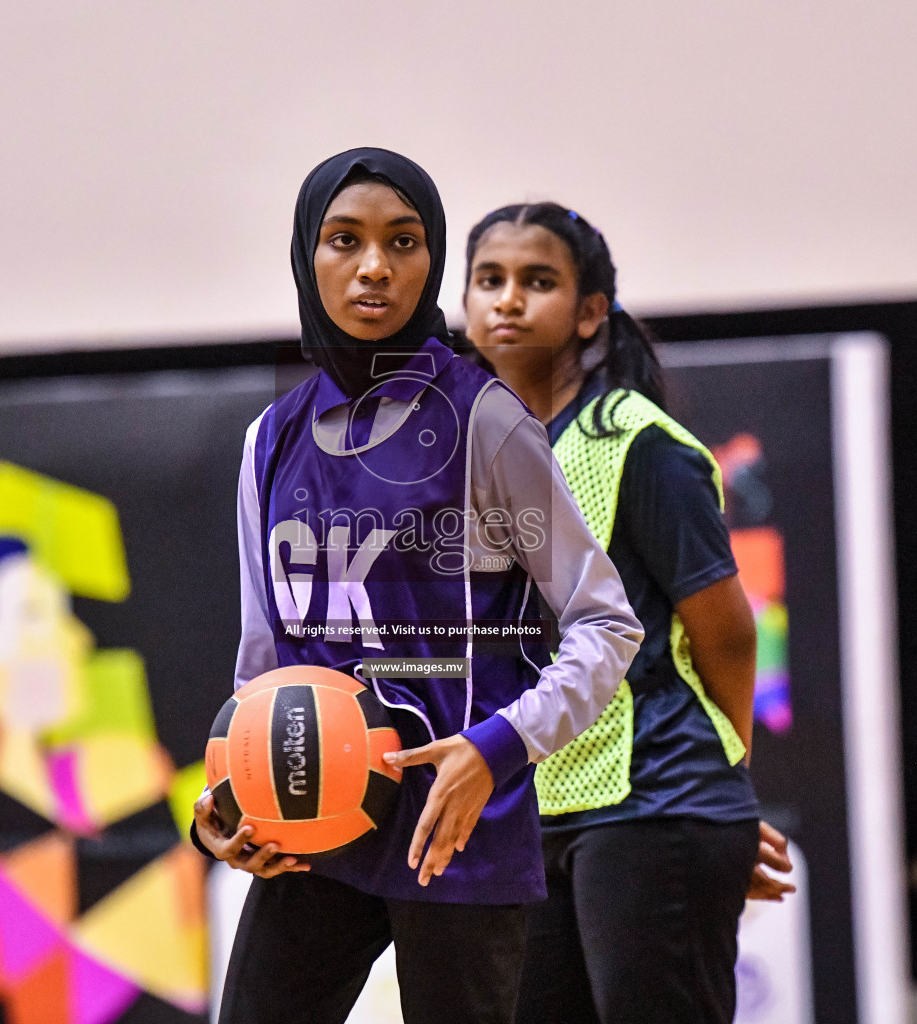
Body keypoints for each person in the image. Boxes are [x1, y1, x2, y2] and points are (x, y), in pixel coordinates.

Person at [190, 149, 644, 1024]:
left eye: (403, 241)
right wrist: (228, 800)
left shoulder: (486, 420)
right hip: (318, 819)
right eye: (344, 240)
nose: (374, 267)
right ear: (304, 256)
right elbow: (262, 664)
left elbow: (604, 625)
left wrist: (497, 750)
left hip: (456, 826)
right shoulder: (270, 442)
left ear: (430, 258)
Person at [462, 201, 794, 1024]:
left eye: (537, 282)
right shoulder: (470, 458)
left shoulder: (636, 443)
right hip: (531, 817)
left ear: (589, 313)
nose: (508, 300)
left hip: (653, 802)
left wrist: (722, 782)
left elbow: (726, 631)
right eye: (488, 280)